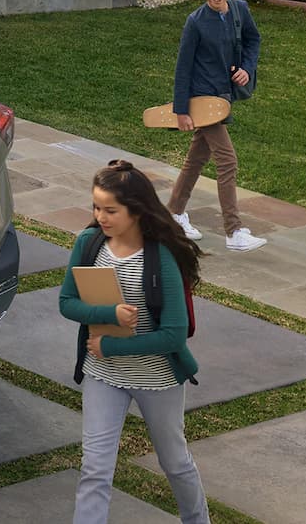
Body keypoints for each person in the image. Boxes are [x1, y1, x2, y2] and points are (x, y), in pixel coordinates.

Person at [61, 160, 210, 524]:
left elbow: (173, 335)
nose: (101, 217)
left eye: (110, 210)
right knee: (95, 468)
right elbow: (67, 302)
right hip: (103, 375)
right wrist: (109, 314)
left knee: (175, 463)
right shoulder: (88, 243)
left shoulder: (162, 258)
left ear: (136, 210)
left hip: (156, 379)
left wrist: (112, 347)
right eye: (96, 207)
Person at [167, 0, 265, 252]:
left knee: (196, 159)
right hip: (203, 100)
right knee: (227, 161)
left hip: (223, 97)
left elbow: (253, 40)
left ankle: (173, 214)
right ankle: (233, 231)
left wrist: (247, 68)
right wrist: (181, 110)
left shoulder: (240, 9)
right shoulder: (195, 22)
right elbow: (183, 67)